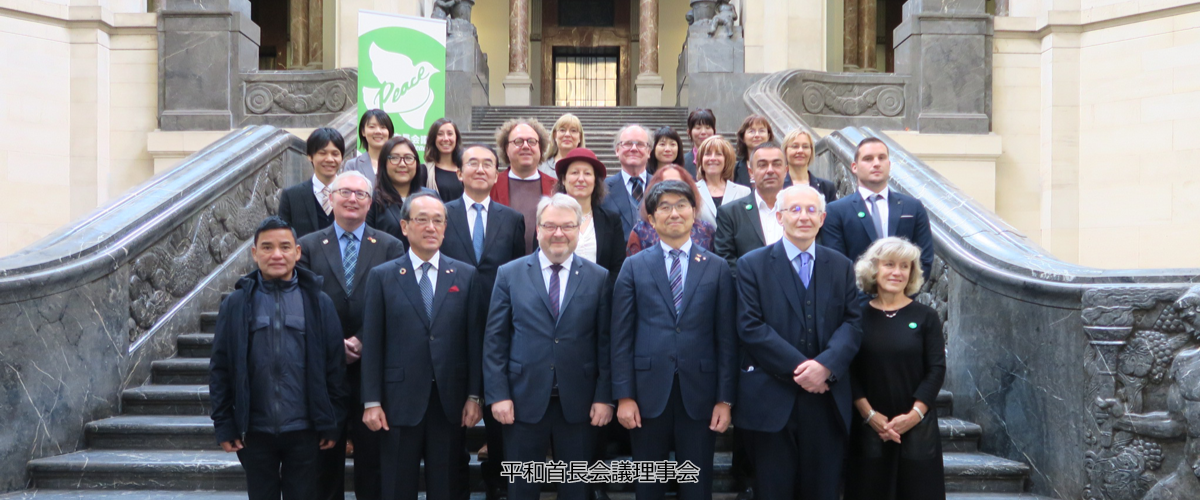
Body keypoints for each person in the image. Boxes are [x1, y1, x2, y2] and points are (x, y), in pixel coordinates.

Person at [734, 184, 864, 500]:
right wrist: (804, 370)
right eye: (795, 209)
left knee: (824, 490)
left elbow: (853, 322)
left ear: (822, 218)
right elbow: (751, 327)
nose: (803, 216)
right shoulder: (752, 264)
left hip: (827, 399)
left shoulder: (842, 265)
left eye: (811, 210)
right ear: (779, 216)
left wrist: (826, 367)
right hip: (771, 398)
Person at [611, 180, 737, 500]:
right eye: (664, 207)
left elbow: (726, 338)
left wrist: (725, 398)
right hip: (646, 394)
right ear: (651, 220)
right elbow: (621, 337)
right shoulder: (634, 266)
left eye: (681, 205)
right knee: (648, 488)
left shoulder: (717, 267)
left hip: (701, 395)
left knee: (697, 488)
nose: (674, 213)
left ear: (694, 214)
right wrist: (624, 396)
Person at [484, 194, 614, 500]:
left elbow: (606, 342)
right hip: (521, 400)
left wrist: (605, 396)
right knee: (522, 490)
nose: (558, 233)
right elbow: (495, 340)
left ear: (579, 229)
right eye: (550, 226)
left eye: (567, 226)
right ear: (538, 229)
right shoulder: (510, 274)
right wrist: (498, 394)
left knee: (576, 491)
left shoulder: (599, 277)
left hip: (580, 404)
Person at [209, 216, 347, 500]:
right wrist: (224, 423)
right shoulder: (235, 305)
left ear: (297, 252)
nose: (276, 254)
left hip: (305, 430)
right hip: (255, 431)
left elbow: (335, 367)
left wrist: (331, 421)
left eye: (285, 247)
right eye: (267, 247)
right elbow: (221, 368)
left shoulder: (319, 302)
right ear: (254, 253)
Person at [360, 192, 485, 500]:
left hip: (449, 400)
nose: (431, 227)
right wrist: (371, 401)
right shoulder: (383, 276)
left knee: (446, 486)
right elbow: (373, 343)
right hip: (397, 401)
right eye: (422, 219)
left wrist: (474, 395)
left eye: (438, 220)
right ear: (405, 226)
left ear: (445, 227)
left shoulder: (465, 275)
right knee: (397, 485)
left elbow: (475, 340)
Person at [297, 171, 405, 500]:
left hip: (372, 370)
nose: (352, 199)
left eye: (360, 194)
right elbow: (302, 304)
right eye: (345, 192)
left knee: (372, 460)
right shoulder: (308, 246)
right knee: (323, 460)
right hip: (322, 369)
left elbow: (395, 305)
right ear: (330, 198)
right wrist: (334, 343)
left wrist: (361, 339)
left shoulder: (389, 246)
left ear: (370, 202)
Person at [439, 143, 528, 500]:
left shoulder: (512, 219)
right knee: (450, 416)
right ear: (458, 172)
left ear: (496, 174)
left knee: (498, 417)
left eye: (488, 164)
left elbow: (520, 273)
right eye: (471, 163)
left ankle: (499, 484)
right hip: (448, 328)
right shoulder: (440, 214)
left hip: (499, 328)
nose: (480, 169)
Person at [845, 237, 946, 500]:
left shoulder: (926, 317)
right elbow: (849, 370)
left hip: (916, 425)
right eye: (889, 264)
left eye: (905, 266)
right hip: (868, 426)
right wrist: (869, 415)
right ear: (874, 269)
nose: (897, 272)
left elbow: (936, 369)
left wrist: (914, 415)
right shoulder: (855, 315)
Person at [822, 137, 934, 280]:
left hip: (903, 298)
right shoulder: (836, 211)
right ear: (854, 167)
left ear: (889, 164)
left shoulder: (913, 207)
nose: (876, 163)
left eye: (881, 158)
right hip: (855, 299)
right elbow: (836, 264)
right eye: (868, 159)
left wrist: (900, 297)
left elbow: (924, 260)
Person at [552, 147, 626, 290]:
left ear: (595, 181)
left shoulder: (611, 221)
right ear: (563, 179)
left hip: (601, 302)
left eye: (587, 173)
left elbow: (617, 269)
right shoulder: (549, 219)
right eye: (574, 173)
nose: (581, 179)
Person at [713, 141, 788, 275]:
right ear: (751, 172)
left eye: (776, 164)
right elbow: (726, 262)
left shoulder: (800, 210)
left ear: (786, 171)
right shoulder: (730, 214)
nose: (770, 170)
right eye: (762, 165)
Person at [491, 118, 557, 254]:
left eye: (532, 141)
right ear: (506, 149)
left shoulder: (557, 187)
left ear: (541, 148)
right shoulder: (491, 185)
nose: (526, 146)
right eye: (518, 142)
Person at [626, 165, 716, 255]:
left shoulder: (706, 230)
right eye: (666, 183)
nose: (672, 188)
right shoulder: (641, 231)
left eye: (678, 184)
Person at [366, 136, 436, 248]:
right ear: (384, 163)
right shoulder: (372, 200)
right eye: (394, 158)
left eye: (408, 158)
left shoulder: (431, 197)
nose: (402, 164)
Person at [279, 128, 345, 238]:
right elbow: (283, 237)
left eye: (335, 154)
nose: (329, 159)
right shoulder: (291, 196)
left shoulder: (354, 194)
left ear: (342, 157)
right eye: (322, 153)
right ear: (310, 156)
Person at [602, 124, 653, 237]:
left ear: (649, 152)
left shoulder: (661, 186)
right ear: (617, 150)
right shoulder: (602, 189)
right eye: (628, 143)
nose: (634, 149)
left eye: (640, 144)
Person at [694, 135, 751, 226]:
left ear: (727, 160)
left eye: (718, 154)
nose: (712, 158)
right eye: (707, 154)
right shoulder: (691, 190)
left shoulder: (744, 192)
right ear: (701, 160)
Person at [781, 129, 837, 203]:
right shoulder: (777, 186)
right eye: (795, 146)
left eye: (805, 146)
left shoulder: (827, 187)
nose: (800, 151)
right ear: (785, 151)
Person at [342, 109, 393, 185]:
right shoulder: (353, 165)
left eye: (383, 127)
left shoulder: (398, 163)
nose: (378, 131)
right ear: (363, 132)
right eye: (372, 127)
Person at [423, 118, 465, 202]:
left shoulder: (465, 169)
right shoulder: (424, 171)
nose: (445, 138)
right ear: (433, 138)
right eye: (440, 134)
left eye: (450, 134)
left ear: (456, 138)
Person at [538, 113, 586, 179]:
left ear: (580, 137)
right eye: (562, 130)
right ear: (555, 135)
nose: (567, 134)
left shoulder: (587, 167)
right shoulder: (540, 166)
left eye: (573, 130)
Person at [732, 115, 774, 187]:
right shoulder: (734, 170)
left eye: (761, 131)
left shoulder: (777, 166)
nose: (757, 135)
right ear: (743, 137)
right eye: (751, 131)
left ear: (768, 136)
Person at [682, 109, 716, 177]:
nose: (703, 132)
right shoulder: (682, 162)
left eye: (707, 127)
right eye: (698, 128)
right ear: (689, 132)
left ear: (714, 131)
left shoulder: (722, 160)